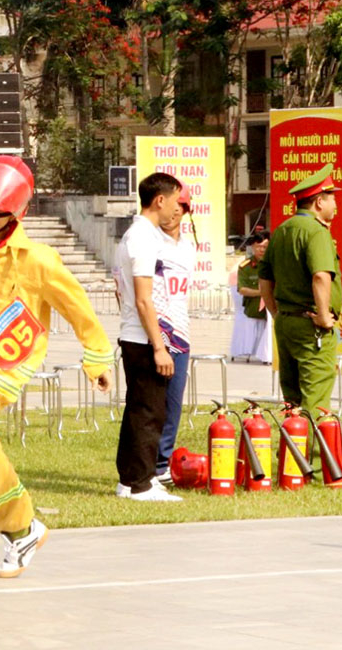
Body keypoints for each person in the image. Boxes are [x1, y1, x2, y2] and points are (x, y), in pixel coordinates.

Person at [0, 155, 114, 577]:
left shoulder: (38, 260)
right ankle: (23, 526)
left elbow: (78, 308)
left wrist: (97, 357)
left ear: (13, 216)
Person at [113, 172, 184, 502]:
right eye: (175, 200)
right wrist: (159, 346)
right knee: (149, 414)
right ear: (160, 200)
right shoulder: (142, 238)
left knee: (138, 410)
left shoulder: (137, 235)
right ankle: (140, 483)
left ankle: (131, 479)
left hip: (135, 334)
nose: (176, 208)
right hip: (143, 339)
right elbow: (144, 298)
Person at [259, 163, 342, 418]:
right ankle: (312, 456)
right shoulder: (316, 232)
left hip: (287, 321)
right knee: (315, 399)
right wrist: (324, 315)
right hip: (311, 326)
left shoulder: (282, 230)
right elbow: (320, 276)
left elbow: (264, 281)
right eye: (332, 198)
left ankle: (289, 454)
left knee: (292, 399)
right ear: (319, 202)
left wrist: (276, 312)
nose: (335, 205)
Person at [153, 182, 197, 482]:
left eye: (179, 207)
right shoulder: (149, 243)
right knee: (148, 406)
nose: (173, 213)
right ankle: (146, 467)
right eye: (171, 205)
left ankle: (162, 463)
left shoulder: (188, 247)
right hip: (153, 333)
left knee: (173, 404)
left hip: (181, 333)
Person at [230, 231, 271, 364]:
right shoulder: (245, 267)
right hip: (254, 308)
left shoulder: (275, 265)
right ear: (252, 247)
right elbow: (242, 289)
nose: (261, 250)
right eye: (258, 247)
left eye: (265, 247)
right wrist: (262, 293)